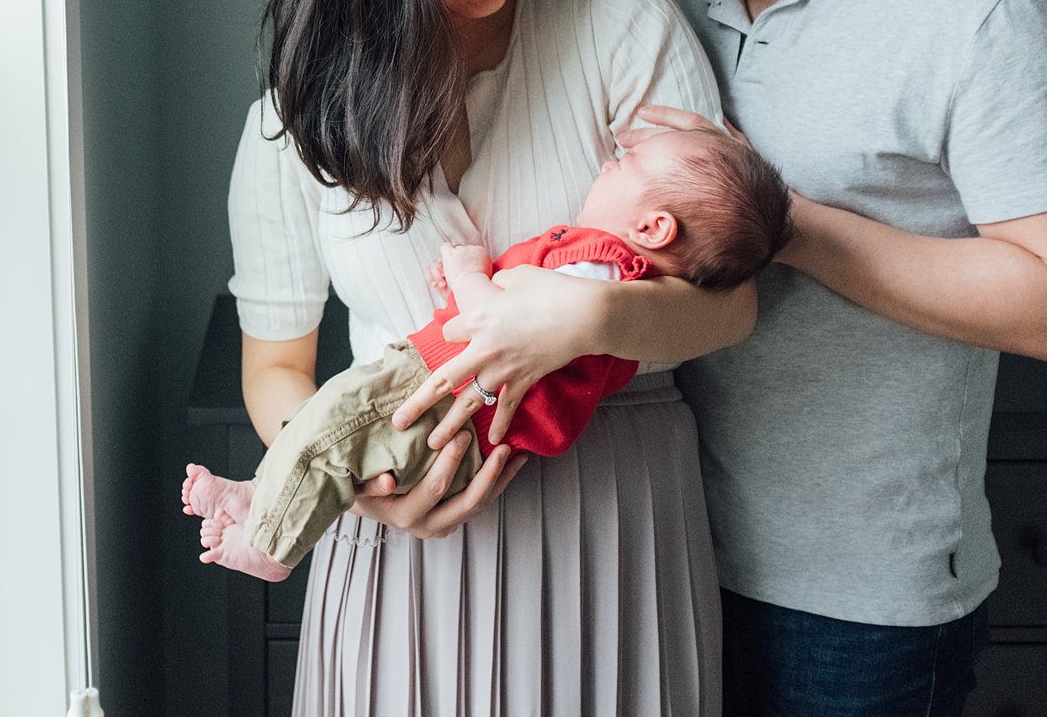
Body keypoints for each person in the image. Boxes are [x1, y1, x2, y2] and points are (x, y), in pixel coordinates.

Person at [510, 0, 1047, 714]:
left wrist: (792, 226)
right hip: (673, 556)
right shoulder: (683, 7)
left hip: (866, 612)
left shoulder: (977, 1)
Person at [229, 0, 757, 715]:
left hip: (615, 512)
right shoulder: (291, 121)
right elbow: (274, 367)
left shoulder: (622, 33)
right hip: (397, 526)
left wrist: (582, 324)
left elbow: (726, 310)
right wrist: (370, 488)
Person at [195, 128, 789, 584]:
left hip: (431, 396)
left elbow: (494, 324)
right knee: (330, 437)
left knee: (332, 425)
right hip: (454, 415)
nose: (611, 160)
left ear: (655, 227)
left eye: (628, 164)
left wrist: (466, 268)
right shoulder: (611, 275)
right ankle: (260, 503)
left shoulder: (598, 269)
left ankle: (272, 547)